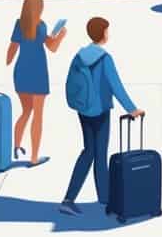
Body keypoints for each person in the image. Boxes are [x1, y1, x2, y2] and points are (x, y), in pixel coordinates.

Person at [59, 17, 143, 216]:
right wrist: (132, 109)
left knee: (90, 150)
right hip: (101, 111)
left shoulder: (80, 55)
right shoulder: (104, 58)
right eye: (107, 30)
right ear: (102, 33)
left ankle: (93, 197)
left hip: (84, 110)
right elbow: (116, 86)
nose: (108, 34)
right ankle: (86, 198)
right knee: (98, 153)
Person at [6, 0, 66, 166]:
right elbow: (52, 48)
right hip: (38, 72)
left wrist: (8, 61)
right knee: (38, 115)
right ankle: (33, 157)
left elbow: (12, 49)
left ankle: (16, 146)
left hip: (21, 71)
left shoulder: (19, 24)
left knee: (25, 111)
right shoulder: (41, 25)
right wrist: (60, 36)